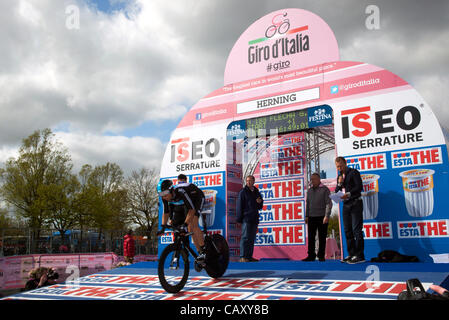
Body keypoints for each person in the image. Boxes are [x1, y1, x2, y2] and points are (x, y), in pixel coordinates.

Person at [157, 179, 207, 263]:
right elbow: (166, 212)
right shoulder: (164, 197)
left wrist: (185, 224)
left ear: (171, 190)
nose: (163, 197)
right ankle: (199, 253)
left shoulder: (181, 191)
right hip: (188, 201)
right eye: (160, 194)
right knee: (188, 228)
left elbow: (192, 210)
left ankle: (204, 250)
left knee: (193, 225)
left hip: (197, 197)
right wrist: (162, 227)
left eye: (165, 193)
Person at [335, 156, 365, 264]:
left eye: (341, 166)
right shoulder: (339, 176)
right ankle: (352, 254)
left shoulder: (354, 172)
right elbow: (336, 190)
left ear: (345, 163)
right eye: (337, 167)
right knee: (348, 231)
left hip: (356, 203)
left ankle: (360, 256)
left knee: (357, 230)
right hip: (346, 205)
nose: (339, 168)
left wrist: (348, 194)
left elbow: (359, 187)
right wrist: (339, 183)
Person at [303, 173, 332, 262]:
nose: (312, 181)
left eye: (314, 179)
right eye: (311, 179)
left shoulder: (325, 190)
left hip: (322, 217)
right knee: (311, 237)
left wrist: (327, 215)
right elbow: (307, 204)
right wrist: (306, 215)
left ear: (319, 179)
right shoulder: (310, 191)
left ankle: (321, 255)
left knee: (322, 237)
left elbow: (329, 203)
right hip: (311, 217)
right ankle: (311, 255)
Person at [236, 175, 263, 262]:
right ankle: (243, 256)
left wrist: (260, 202)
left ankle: (249, 256)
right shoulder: (243, 192)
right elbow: (239, 206)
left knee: (251, 238)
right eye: (247, 181)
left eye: (250, 181)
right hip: (246, 218)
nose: (248, 182)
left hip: (254, 218)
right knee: (245, 237)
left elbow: (260, 206)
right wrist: (239, 219)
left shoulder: (256, 191)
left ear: (254, 181)